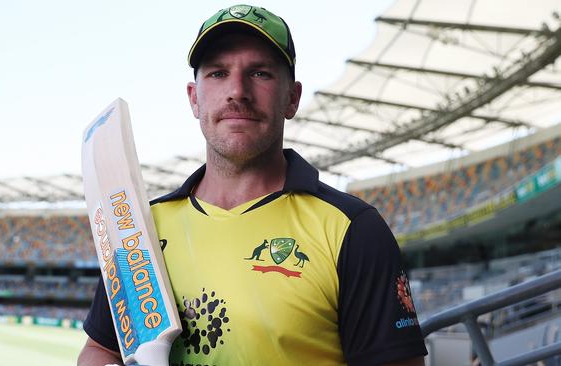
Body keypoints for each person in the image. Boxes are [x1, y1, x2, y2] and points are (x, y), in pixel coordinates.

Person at [78, 4, 428, 365]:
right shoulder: (140, 230)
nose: (238, 91)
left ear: (292, 97)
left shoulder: (353, 228)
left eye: (260, 73)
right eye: (217, 73)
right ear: (193, 98)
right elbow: (100, 350)